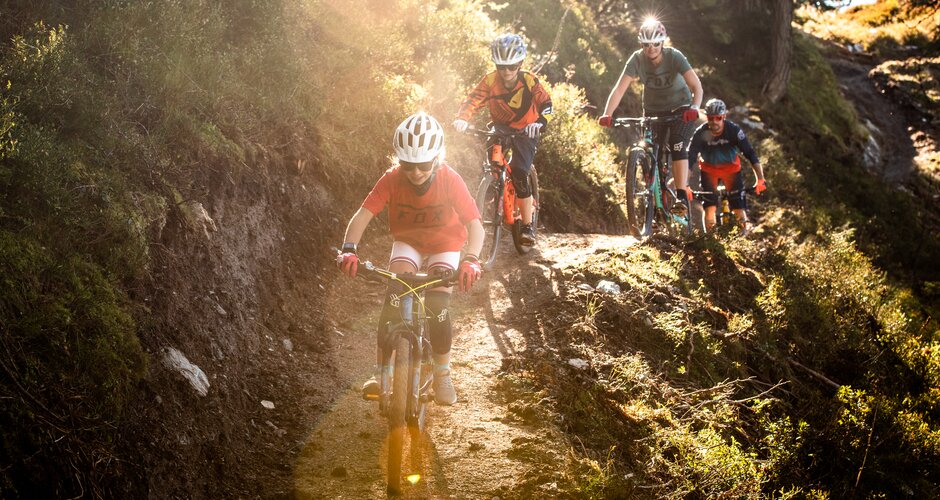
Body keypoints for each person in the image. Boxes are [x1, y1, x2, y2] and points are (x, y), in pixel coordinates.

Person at [336, 112, 485, 405]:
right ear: (398, 160)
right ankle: (382, 373)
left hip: (445, 244)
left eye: (424, 164)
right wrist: (349, 248)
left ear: (437, 158)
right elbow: (363, 215)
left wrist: (471, 259)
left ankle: (442, 374)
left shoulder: (450, 180)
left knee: (437, 306)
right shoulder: (392, 179)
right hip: (409, 242)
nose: (416, 172)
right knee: (394, 298)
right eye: (408, 164)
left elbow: (475, 226)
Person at [453, 33, 553, 246]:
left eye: (512, 66)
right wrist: (462, 118)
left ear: (520, 64)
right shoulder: (490, 80)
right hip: (500, 127)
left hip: (527, 130)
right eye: (501, 67)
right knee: (491, 165)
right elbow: (473, 100)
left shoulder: (529, 80)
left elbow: (546, 103)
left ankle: (527, 226)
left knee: (519, 172)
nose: (506, 71)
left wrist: (541, 122)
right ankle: (492, 190)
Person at [597, 18, 703, 212]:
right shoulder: (637, 59)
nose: (651, 49)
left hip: (681, 109)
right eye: (646, 45)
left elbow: (696, 86)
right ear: (641, 45)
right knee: (653, 151)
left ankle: (680, 197)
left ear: (662, 42)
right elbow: (619, 89)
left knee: (677, 144)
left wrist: (694, 108)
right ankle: (654, 207)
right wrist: (607, 114)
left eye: (655, 44)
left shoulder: (675, 56)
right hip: (654, 109)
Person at [687, 98, 767, 231]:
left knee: (738, 208)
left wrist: (760, 179)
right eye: (711, 118)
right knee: (710, 208)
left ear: (724, 116)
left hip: (731, 171)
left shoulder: (733, 130)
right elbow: (690, 158)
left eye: (718, 118)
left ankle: (742, 236)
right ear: (707, 117)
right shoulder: (700, 133)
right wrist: (685, 184)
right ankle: (710, 238)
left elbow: (750, 153)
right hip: (709, 171)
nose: (714, 121)